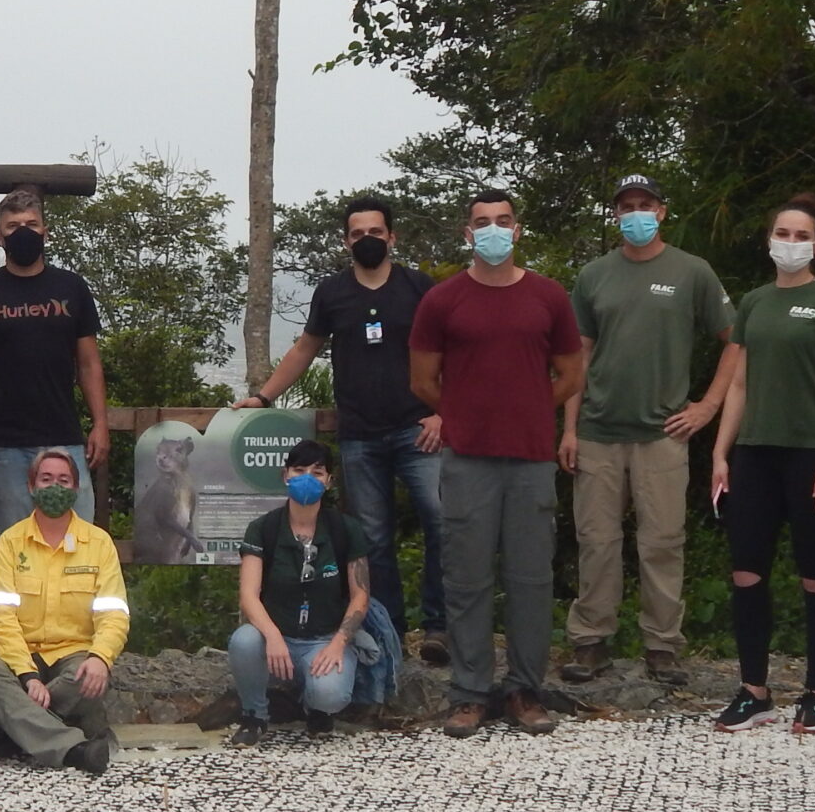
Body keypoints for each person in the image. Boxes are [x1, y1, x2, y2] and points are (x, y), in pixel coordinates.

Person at [409, 191, 585, 738]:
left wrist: (531, 410)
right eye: (481, 223)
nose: (492, 230)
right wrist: (461, 416)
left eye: (502, 222)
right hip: (467, 460)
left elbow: (571, 375)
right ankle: (469, 692)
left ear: (517, 231)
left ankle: (525, 690)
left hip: (531, 458)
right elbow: (422, 380)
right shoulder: (443, 300)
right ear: (468, 234)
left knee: (531, 578)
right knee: (466, 578)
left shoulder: (549, 296)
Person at [240, 195, 446, 656]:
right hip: (360, 435)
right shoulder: (332, 293)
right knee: (371, 538)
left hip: (420, 430)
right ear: (346, 240)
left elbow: (450, 352)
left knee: (440, 522)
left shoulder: (420, 288)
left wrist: (443, 411)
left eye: (376, 232)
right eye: (358, 234)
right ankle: (388, 629)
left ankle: (439, 627)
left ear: (392, 237)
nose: (367, 240)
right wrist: (263, 396)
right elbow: (304, 349)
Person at [561, 174, 738, 686]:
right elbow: (579, 356)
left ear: (661, 211)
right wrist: (569, 429)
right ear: (615, 214)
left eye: (644, 204)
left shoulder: (692, 271)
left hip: (664, 433)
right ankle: (591, 639)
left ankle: (662, 645)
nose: (635, 213)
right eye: (625, 206)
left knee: (662, 541)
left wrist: (707, 405)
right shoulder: (594, 275)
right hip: (597, 429)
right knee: (597, 540)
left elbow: (737, 337)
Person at [707, 195, 815, 735]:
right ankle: (755, 690)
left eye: (801, 236)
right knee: (747, 572)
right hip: (754, 455)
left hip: (811, 456)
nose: (789, 243)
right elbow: (741, 383)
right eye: (782, 233)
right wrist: (721, 452)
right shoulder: (753, 302)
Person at [0, 187, 109, 531]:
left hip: (65, 438)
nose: (22, 231)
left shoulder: (72, 288)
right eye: (12, 226)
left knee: (79, 540)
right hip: (3, 445)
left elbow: (88, 363)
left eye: (31, 223)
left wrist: (100, 423)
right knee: (15, 545)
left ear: (45, 232)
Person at [0, 450, 127, 774]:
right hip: (20, 655)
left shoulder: (99, 543)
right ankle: (74, 748)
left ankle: (17, 729)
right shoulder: (9, 543)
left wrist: (100, 657)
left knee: (91, 679)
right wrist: (26, 675)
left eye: (63, 480)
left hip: (73, 656)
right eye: (46, 479)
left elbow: (114, 612)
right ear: (31, 486)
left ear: (75, 488)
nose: (55, 486)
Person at [226, 439, 377, 742]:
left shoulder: (345, 529)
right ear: (286, 476)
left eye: (317, 472)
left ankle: (315, 707)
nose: (307, 478)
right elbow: (248, 595)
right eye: (299, 470)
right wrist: (272, 636)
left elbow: (360, 595)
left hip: (324, 638)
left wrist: (337, 644)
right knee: (243, 641)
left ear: (329, 481)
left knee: (330, 694)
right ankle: (255, 715)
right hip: (276, 636)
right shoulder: (263, 528)